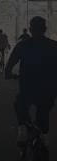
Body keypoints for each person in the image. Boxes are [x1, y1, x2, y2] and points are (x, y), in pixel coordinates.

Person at [5, 16, 57, 146]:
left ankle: (23, 129)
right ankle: (44, 136)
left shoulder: (23, 45)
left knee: (20, 105)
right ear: (45, 29)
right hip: (48, 89)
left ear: (30, 30)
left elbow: (10, 64)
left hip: (28, 88)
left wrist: (9, 74)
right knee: (44, 111)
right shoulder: (54, 46)